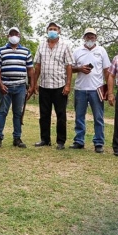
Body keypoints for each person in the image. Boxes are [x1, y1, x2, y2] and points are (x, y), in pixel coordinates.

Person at [32, 21, 74, 150]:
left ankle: (60, 141)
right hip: (44, 85)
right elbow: (37, 66)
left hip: (60, 86)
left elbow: (69, 66)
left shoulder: (65, 46)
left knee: (61, 114)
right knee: (44, 114)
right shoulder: (41, 46)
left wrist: (68, 85)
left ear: (59, 31)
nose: (52, 31)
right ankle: (45, 139)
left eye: (55, 29)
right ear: (47, 31)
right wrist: (34, 84)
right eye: (50, 28)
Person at [71, 28, 111, 152]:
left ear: (96, 37)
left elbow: (107, 71)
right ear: (84, 37)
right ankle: (79, 141)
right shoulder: (77, 51)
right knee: (79, 116)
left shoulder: (101, 51)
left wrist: (108, 91)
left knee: (98, 117)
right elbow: (70, 68)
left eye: (92, 36)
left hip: (96, 89)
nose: (90, 38)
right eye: (87, 36)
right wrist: (80, 68)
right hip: (80, 88)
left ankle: (99, 143)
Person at [0, 27, 35, 148]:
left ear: (19, 35)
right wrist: (0, 84)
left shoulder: (26, 51)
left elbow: (30, 69)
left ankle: (17, 138)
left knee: (18, 113)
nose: (13, 36)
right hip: (5, 87)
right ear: (8, 36)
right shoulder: (0, 51)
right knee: (2, 112)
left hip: (21, 87)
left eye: (16, 34)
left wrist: (32, 86)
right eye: (11, 34)